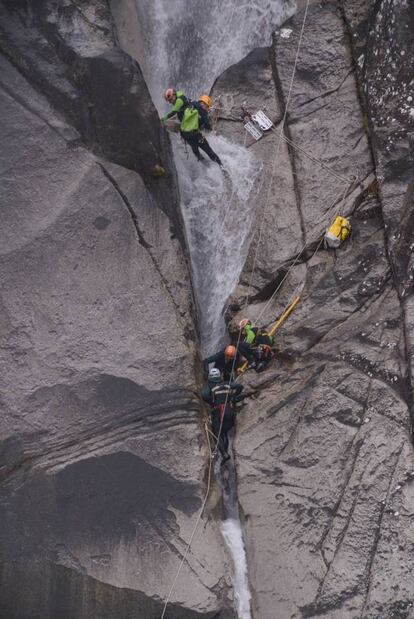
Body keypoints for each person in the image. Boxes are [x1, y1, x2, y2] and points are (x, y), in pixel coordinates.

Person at [162, 89, 222, 166]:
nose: (206, 108)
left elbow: (181, 118)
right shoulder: (201, 110)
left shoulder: (189, 104)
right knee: (209, 151)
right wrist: (209, 128)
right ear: (205, 104)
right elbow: (207, 125)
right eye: (207, 106)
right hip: (195, 135)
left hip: (186, 135)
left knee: (195, 152)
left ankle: (206, 165)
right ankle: (221, 167)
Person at [201, 368, 243, 461]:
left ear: (210, 377)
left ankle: (224, 454)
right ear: (220, 375)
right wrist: (233, 397)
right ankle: (226, 452)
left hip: (218, 412)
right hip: (229, 411)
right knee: (224, 432)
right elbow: (239, 386)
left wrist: (211, 401)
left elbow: (204, 395)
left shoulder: (209, 386)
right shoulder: (227, 383)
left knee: (217, 434)